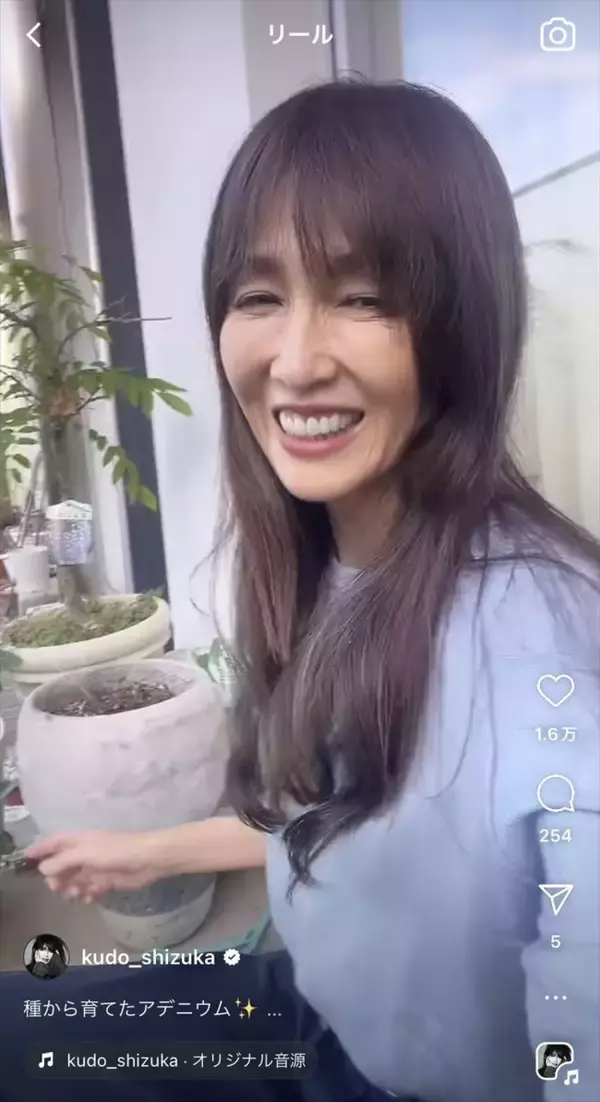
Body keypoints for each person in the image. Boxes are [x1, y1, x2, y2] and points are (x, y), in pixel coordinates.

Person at [5, 79, 599, 1102]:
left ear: (463, 326)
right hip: (305, 1007)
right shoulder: (338, 556)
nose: (294, 361)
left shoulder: (545, 646)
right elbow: (345, 816)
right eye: (259, 295)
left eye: (363, 298)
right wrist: (151, 853)